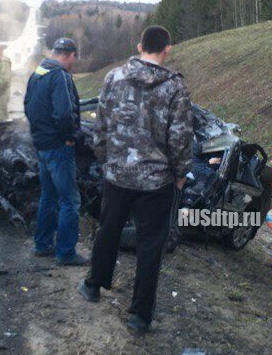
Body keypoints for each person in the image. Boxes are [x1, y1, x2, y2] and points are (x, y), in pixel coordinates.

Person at [77, 26, 194, 334]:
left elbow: (100, 124)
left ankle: (93, 285)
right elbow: (180, 137)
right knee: (150, 246)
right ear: (167, 49)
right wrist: (181, 174)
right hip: (156, 182)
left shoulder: (113, 78)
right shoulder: (175, 88)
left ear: (140, 45)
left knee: (108, 231)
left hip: (118, 174)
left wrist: (105, 159)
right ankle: (140, 316)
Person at [24, 38, 87, 266]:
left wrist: (39, 135)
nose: (73, 63)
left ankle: (42, 245)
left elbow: (27, 105)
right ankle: (66, 253)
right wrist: (71, 137)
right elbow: (63, 113)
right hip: (58, 148)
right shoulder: (59, 75)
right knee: (70, 200)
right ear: (69, 55)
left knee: (48, 196)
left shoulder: (38, 72)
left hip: (42, 146)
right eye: (73, 59)